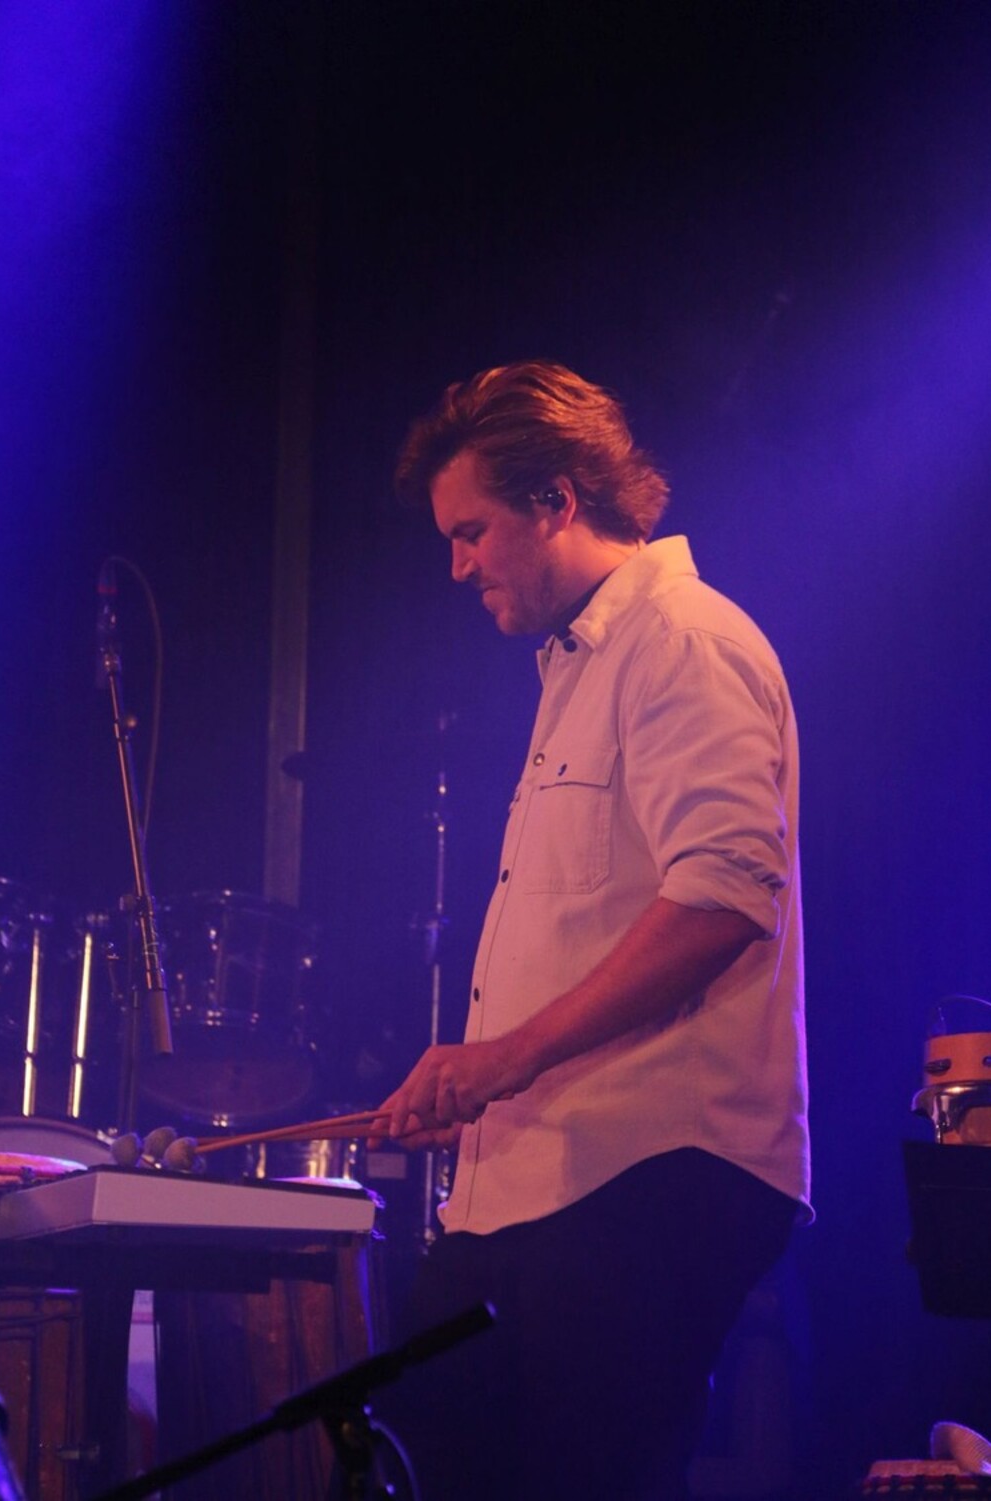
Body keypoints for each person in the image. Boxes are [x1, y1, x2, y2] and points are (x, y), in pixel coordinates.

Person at [373, 360, 810, 1500]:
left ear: (556, 500)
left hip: (647, 1172)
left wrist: (504, 1057)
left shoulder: (683, 641)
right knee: (406, 1454)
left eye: (472, 532)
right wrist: (483, 1076)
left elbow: (724, 897)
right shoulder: (582, 667)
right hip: (547, 1182)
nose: (457, 565)